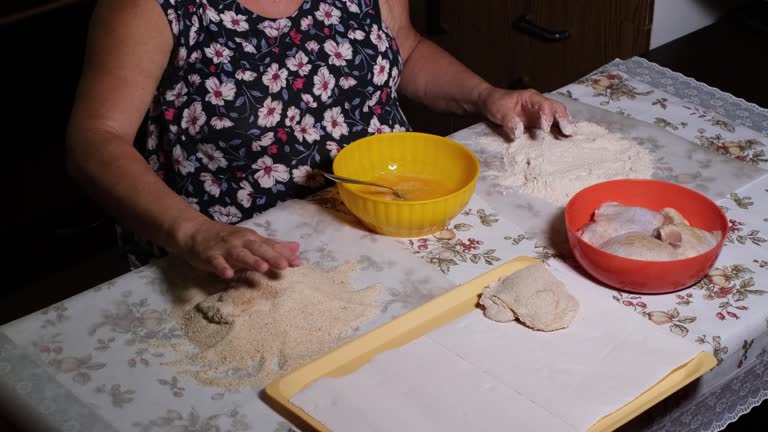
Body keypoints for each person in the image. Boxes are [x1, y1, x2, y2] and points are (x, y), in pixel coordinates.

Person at [66, 0, 574, 279]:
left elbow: (405, 50)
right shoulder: (146, 6)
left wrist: (487, 96)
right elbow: (96, 139)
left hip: (389, 217)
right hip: (243, 253)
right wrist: (196, 234)